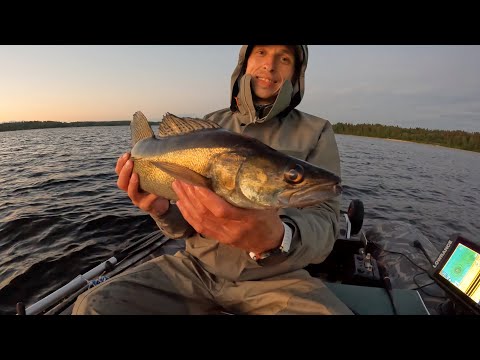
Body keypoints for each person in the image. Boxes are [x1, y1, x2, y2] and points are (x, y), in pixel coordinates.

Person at [72, 45, 353, 315]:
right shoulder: (210, 124)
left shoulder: (317, 131)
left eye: (285, 59)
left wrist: (278, 238)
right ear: (245, 63)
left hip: (276, 280)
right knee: (93, 305)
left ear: (296, 73)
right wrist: (161, 211)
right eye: (262, 52)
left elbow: (326, 222)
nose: (270, 64)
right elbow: (185, 227)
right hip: (195, 269)